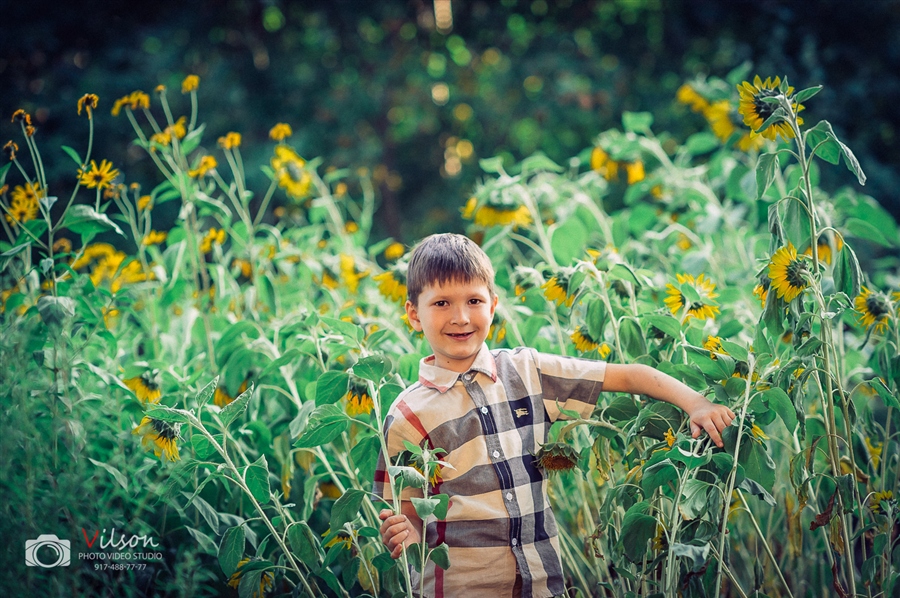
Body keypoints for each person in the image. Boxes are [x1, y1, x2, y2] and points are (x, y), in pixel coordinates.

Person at [374, 233, 735, 598]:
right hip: (459, 588)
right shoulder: (409, 415)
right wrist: (407, 533)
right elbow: (403, 507)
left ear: (493, 305)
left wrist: (696, 403)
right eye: (441, 303)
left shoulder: (526, 371)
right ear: (414, 314)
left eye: (474, 300)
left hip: (541, 582)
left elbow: (626, 376)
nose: (461, 317)